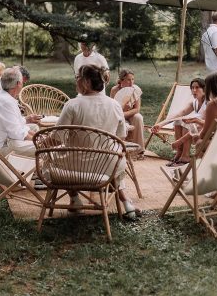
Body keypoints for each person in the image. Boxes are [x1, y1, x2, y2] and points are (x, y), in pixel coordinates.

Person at [57, 64, 139, 220]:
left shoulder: (72, 105)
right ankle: (126, 201)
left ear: (86, 82)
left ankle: (75, 199)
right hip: (107, 166)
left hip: (76, 167)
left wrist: (38, 142)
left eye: (77, 78)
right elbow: (120, 138)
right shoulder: (115, 105)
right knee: (115, 157)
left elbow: (56, 137)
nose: (76, 81)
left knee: (54, 156)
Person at [0, 67, 41, 156]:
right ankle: (43, 167)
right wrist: (40, 141)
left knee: (36, 133)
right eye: (22, 82)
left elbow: (17, 126)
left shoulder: (3, 96)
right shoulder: (5, 101)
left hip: (3, 140)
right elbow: (17, 133)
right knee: (43, 148)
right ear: (18, 83)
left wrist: (38, 137)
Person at [151, 78, 206, 166]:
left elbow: (208, 123)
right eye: (192, 88)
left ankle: (185, 156)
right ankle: (179, 152)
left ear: (204, 89)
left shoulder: (208, 103)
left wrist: (179, 141)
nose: (194, 90)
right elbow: (180, 113)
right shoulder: (194, 103)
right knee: (179, 119)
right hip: (194, 129)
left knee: (186, 122)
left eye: (197, 87)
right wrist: (161, 124)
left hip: (204, 131)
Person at [110, 69, 145, 154]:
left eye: (133, 79)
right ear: (122, 80)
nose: (131, 82)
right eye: (129, 79)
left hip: (130, 114)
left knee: (138, 117)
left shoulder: (136, 89)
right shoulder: (115, 90)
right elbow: (112, 108)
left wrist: (124, 113)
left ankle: (139, 150)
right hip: (118, 115)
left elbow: (137, 109)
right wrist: (122, 111)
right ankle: (117, 148)